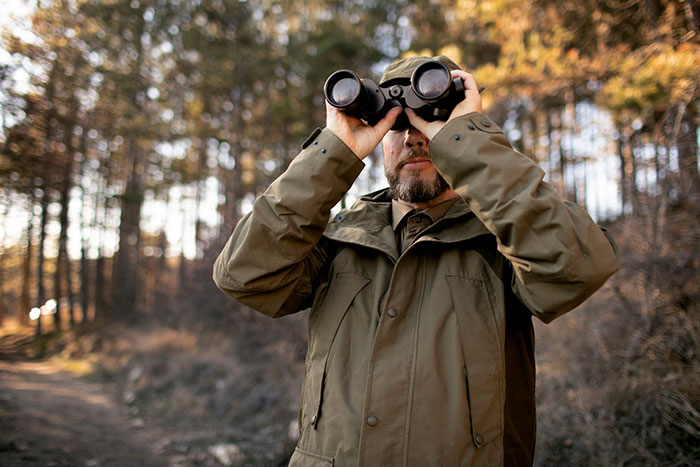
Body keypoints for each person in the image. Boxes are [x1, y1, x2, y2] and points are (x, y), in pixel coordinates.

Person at [213, 55, 619, 467]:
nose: (414, 138)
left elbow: (576, 268)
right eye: (398, 126)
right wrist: (332, 154)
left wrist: (467, 141)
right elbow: (243, 274)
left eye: (430, 119)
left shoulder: (503, 239)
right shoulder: (337, 242)